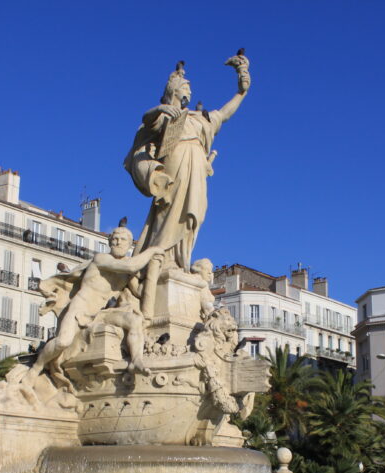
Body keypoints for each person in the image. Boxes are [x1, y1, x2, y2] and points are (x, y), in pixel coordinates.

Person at [124, 55, 250, 270]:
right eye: (185, 89)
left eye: (190, 90)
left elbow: (225, 114)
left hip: (198, 165)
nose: (189, 93)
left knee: (195, 215)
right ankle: (162, 258)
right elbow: (147, 123)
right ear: (174, 91)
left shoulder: (199, 118)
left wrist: (241, 91)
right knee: (169, 210)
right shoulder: (165, 115)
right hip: (176, 161)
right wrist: (159, 109)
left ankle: (182, 260)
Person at [28, 227, 164, 385]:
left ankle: (136, 360)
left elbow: (140, 292)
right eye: (115, 239)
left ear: (129, 245)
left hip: (102, 313)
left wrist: (156, 270)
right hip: (81, 308)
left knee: (134, 321)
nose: (118, 242)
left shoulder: (126, 271)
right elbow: (132, 266)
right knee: (63, 342)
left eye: (122, 239)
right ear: (109, 242)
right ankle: (36, 367)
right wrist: (153, 250)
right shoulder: (101, 259)